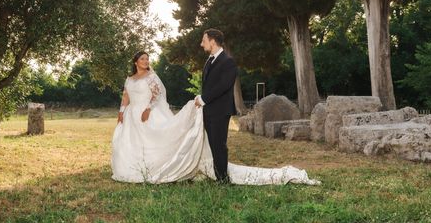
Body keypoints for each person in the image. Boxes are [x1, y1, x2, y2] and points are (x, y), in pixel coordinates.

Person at [111, 46, 320, 186]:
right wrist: (122, 112)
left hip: (149, 112)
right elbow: (126, 95)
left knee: (155, 139)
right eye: (143, 59)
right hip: (131, 115)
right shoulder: (130, 78)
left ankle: (159, 166)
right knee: (132, 142)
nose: (146, 61)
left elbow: (157, 93)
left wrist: (148, 108)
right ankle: (136, 167)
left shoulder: (151, 76)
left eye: (148, 58)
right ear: (136, 62)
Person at [194, 28, 236, 183]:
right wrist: (201, 97)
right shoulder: (209, 60)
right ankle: (218, 175)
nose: (201, 44)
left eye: (204, 41)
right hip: (209, 110)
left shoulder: (228, 61)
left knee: (219, 145)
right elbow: (210, 86)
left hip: (220, 111)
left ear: (212, 41)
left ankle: (223, 180)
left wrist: (204, 99)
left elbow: (224, 86)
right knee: (213, 144)